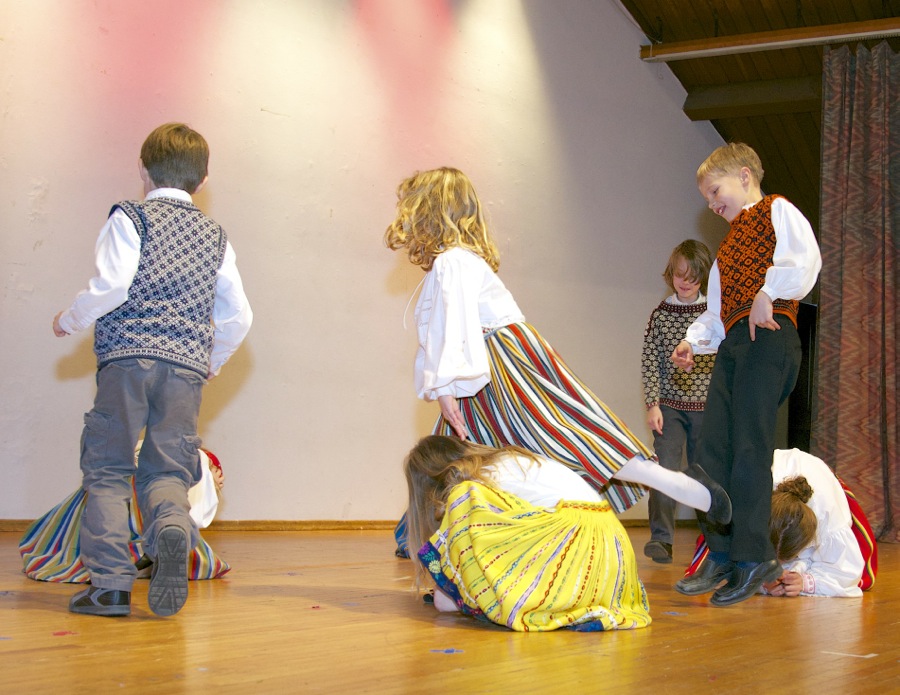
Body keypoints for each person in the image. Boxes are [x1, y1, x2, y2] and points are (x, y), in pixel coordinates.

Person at [384, 167, 731, 557]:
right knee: (468, 457)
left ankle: (685, 487)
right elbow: (441, 333)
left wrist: (446, 388)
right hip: (485, 369)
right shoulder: (449, 263)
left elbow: (456, 326)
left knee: (566, 437)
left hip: (499, 364)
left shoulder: (454, 261)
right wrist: (445, 386)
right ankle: (434, 541)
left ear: (432, 210)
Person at [52, 123, 253, 617]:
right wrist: (210, 362)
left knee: (108, 468)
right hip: (185, 369)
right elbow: (239, 316)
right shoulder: (216, 236)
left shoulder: (131, 217)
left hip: (127, 360)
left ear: (142, 169)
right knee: (166, 469)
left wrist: (68, 319)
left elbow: (113, 285)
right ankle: (170, 528)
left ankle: (110, 586)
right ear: (203, 181)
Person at [670, 143, 821, 607]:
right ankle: (720, 553)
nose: (712, 204)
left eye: (715, 192)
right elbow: (717, 313)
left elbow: (804, 261)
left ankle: (755, 557)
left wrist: (769, 292)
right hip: (735, 344)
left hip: (771, 337)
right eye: (707, 199)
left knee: (750, 449)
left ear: (743, 175)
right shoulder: (728, 246)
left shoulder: (777, 210)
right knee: (712, 449)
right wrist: (692, 341)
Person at [406, 435, 652, 632]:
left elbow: (444, 603)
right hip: (613, 556)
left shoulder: (474, 483)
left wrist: (450, 585)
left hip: (578, 541)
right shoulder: (509, 458)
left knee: (463, 499)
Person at [677, 449, 878, 597]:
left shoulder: (829, 514)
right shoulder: (746, 502)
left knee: (865, 576)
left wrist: (806, 582)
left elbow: (846, 571)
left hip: (821, 479)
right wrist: (761, 583)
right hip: (761, 481)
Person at [19, 443, 231, 583]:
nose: (220, 481)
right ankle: (155, 555)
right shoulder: (197, 459)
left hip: (111, 492)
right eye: (218, 475)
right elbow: (197, 514)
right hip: (143, 499)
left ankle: (115, 574)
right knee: (173, 520)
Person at [641, 240, 714, 563]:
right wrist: (652, 404)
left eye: (692, 277)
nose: (685, 282)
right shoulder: (661, 314)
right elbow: (650, 361)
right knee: (664, 470)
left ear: (702, 278)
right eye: (679, 275)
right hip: (669, 407)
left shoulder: (711, 314)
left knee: (705, 474)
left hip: (705, 408)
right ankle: (661, 539)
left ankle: (712, 540)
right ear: (670, 273)